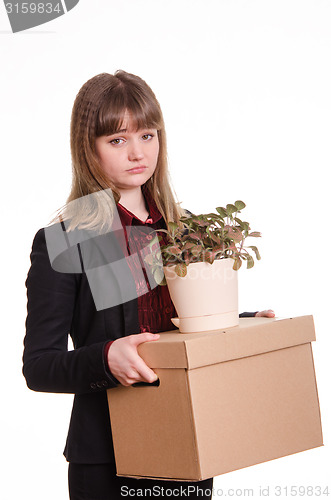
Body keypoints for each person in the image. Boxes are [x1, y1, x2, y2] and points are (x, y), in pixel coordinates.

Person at [23, 70, 275, 500]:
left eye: (148, 135)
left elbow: (175, 326)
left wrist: (242, 325)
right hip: (107, 456)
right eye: (117, 140)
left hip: (187, 440)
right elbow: (39, 366)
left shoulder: (186, 231)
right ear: (89, 147)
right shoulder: (66, 240)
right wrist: (107, 359)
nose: (137, 152)